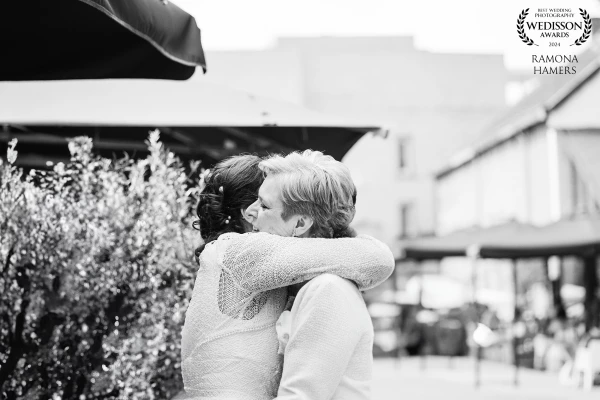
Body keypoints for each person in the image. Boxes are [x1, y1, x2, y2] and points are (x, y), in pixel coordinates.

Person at [180, 152, 394, 400]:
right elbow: (375, 257)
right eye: (255, 200)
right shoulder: (241, 252)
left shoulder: (327, 288)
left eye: (265, 204)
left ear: (300, 224)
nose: (252, 212)